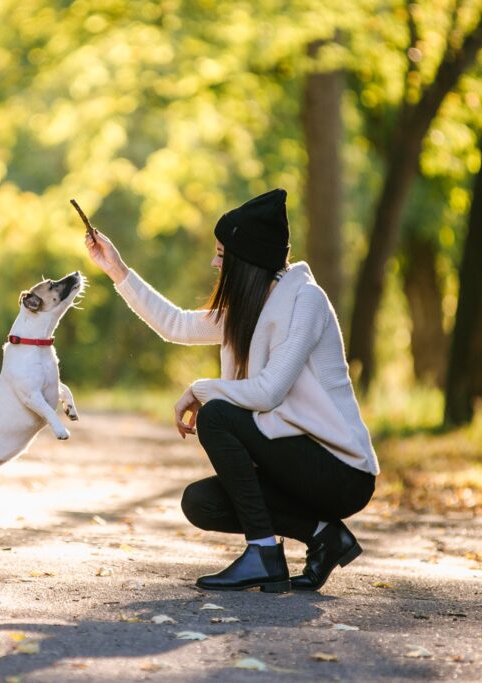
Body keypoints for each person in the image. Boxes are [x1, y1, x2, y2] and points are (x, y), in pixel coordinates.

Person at [84, 188, 379, 593]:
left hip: (340, 471)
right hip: (294, 461)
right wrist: (118, 270)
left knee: (218, 414)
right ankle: (325, 536)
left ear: (247, 259)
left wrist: (201, 389)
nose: (214, 261)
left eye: (221, 253)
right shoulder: (252, 305)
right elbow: (178, 325)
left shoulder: (305, 301)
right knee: (201, 502)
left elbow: (269, 392)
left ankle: (263, 554)